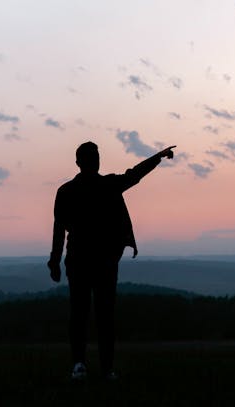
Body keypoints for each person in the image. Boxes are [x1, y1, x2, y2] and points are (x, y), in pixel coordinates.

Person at [47, 141, 176, 380]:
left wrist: (55, 261)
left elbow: (58, 230)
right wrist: (157, 157)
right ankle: (103, 368)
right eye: (93, 157)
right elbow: (133, 176)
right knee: (101, 315)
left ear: (78, 162)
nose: (95, 161)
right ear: (91, 161)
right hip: (99, 261)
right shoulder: (104, 186)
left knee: (82, 314)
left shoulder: (67, 191)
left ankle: (83, 365)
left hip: (82, 260)